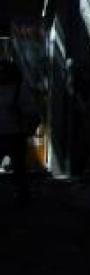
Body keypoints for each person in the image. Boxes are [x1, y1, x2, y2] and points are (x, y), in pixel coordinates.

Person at [0, 59, 38, 205]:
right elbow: (32, 111)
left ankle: (22, 194)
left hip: (15, 133)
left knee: (19, 167)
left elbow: (31, 111)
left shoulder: (19, 89)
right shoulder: (19, 89)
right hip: (14, 133)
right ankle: (21, 193)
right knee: (19, 167)